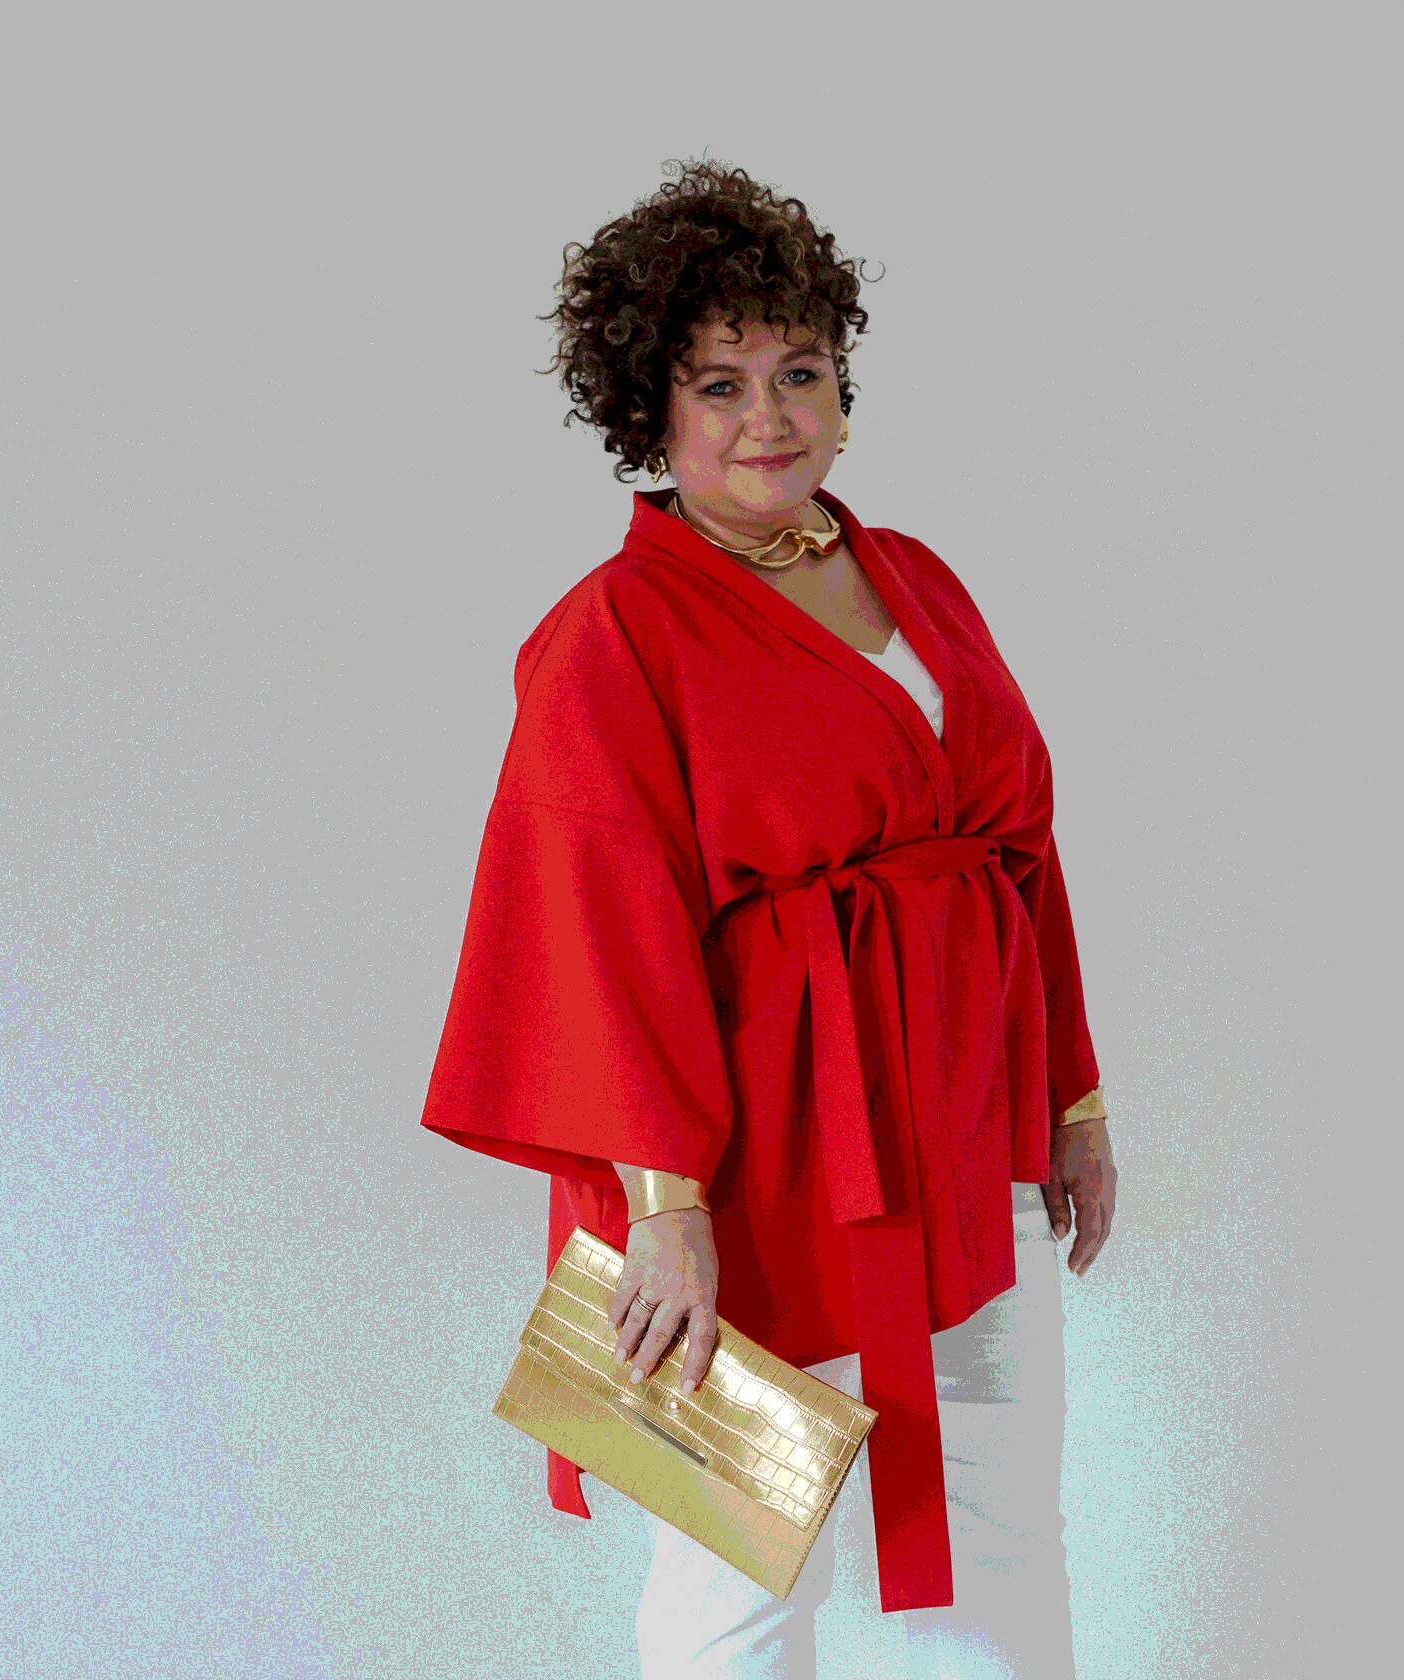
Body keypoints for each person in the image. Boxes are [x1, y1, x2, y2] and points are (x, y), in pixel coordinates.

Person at [420, 159, 1118, 1679]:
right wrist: (664, 1216)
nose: (770, 418)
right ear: (651, 414)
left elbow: (1017, 854)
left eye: (800, 371)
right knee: (740, 1580)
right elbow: (600, 937)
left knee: (1006, 1539)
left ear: (844, 388)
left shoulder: (916, 576)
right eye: (720, 384)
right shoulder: (613, 634)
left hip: (965, 1143)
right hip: (754, 1175)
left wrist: (1071, 1100)